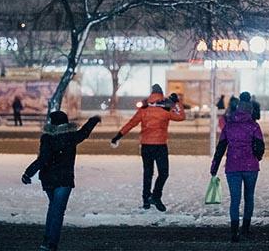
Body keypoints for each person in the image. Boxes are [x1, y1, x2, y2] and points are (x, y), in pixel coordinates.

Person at [21, 111, 101, 251]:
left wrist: (28, 173)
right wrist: (93, 120)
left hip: (49, 179)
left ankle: (47, 241)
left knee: (53, 209)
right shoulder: (71, 136)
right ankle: (51, 244)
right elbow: (84, 132)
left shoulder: (47, 138)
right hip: (64, 179)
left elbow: (43, 159)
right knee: (57, 211)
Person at [110, 84, 185, 212]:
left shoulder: (144, 108)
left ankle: (146, 199)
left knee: (148, 173)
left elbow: (132, 123)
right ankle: (156, 196)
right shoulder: (166, 108)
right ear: (161, 94)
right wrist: (177, 102)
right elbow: (181, 116)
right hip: (160, 146)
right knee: (164, 173)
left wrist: (118, 136)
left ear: (151, 93)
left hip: (146, 146)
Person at [210, 92, 265, 242]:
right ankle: (246, 228)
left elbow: (221, 147)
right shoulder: (254, 126)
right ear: (250, 111)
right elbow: (260, 146)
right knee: (249, 197)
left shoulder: (229, 126)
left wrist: (214, 167)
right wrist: (256, 157)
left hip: (233, 167)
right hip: (251, 167)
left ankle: (234, 231)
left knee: (235, 199)